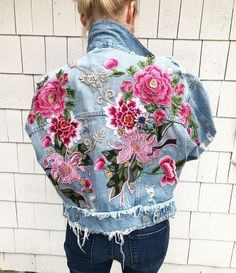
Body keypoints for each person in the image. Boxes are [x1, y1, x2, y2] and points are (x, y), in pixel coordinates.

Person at [24, 0, 217, 272]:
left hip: (85, 229)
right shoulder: (168, 76)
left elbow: (46, 151)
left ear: (83, 18)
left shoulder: (55, 83)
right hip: (148, 224)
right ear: (131, 9)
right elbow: (198, 139)